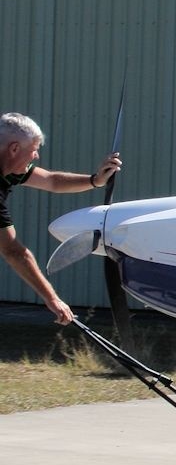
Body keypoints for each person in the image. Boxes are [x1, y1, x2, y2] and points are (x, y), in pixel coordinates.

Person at [0, 112, 123, 326]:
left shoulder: (10, 168)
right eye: (34, 149)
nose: (36, 156)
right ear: (14, 149)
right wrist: (52, 299)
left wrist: (96, 180)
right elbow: (14, 252)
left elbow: (52, 181)